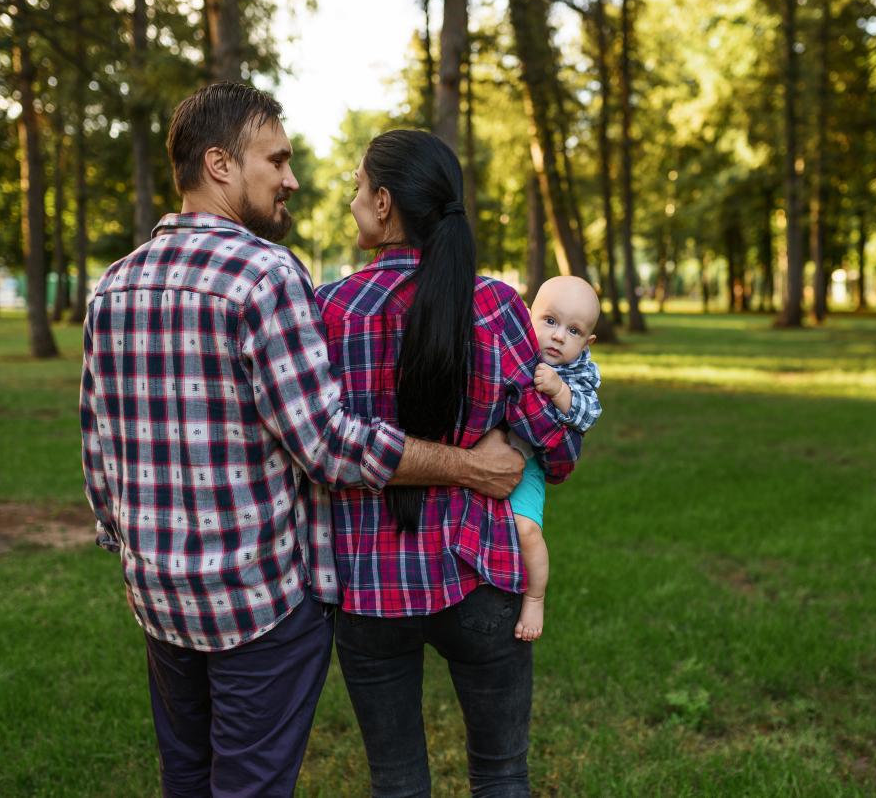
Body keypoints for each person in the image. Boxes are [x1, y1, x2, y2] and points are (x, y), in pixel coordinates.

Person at [79, 84, 524, 798]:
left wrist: (135, 553)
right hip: (258, 605)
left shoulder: (114, 286)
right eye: (276, 160)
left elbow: (98, 451)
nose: (291, 178)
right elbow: (327, 447)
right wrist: (470, 466)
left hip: (158, 598)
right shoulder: (263, 274)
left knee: (186, 780)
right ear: (220, 164)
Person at [315, 129, 584, 797]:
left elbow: (318, 448)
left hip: (369, 590)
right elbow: (557, 451)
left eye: (355, 187)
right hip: (481, 575)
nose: (351, 202)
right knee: (500, 776)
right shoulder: (495, 308)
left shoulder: (329, 311)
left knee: (397, 783)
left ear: (383, 203)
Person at [508, 275, 602, 642]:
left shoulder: (577, 371)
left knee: (526, 529)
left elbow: (589, 414)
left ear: (588, 342)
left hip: (528, 462)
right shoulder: (516, 348)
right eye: (550, 321)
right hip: (486, 447)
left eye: (574, 331)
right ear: (529, 315)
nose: (559, 336)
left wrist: (560, 391)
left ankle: (535, 597)